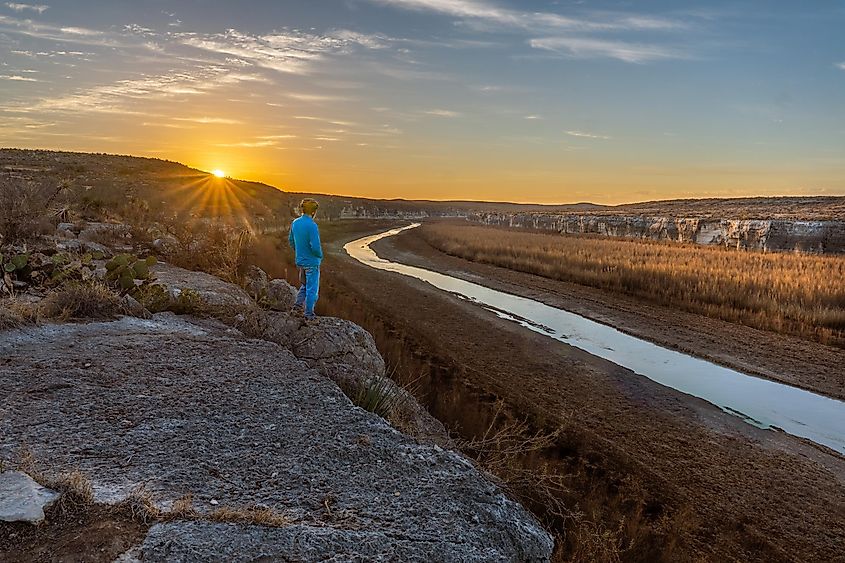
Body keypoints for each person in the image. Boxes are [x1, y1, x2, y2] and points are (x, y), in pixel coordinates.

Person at [289, 198, 323, 320]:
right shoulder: (312, 226)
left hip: (301, 261)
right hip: (312, 262)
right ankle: (309, 314)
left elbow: (291, 241)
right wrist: (319, 255)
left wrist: (300, 252)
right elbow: (315, 246)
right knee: (312, 289)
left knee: (304, 285)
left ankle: (297, 307)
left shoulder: (295, 223)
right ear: (313, 212)